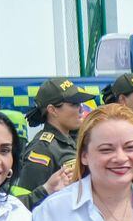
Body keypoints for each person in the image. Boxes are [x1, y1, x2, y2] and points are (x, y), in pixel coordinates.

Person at [12, 77, 90, 207]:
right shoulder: (42, 149)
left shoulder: (73, 139)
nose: (81, 109)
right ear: (52, 110)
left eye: (80, 104)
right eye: (74, 104)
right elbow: (24, 202)